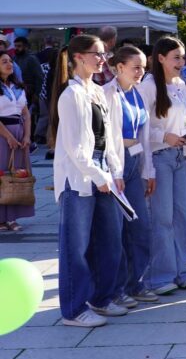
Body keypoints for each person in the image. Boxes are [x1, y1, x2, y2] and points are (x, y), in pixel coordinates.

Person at [49, 35, 125, 327]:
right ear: (78, 57)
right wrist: (99, 175)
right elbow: (74, 147)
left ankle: (102, 298)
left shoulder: (96, 91)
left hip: (101, 170)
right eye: (97, 54)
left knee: (109, 240)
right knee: (76, 247)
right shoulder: (71, 95)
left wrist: (114, 173)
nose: (102, 59)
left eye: (104, 53)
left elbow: (108, 139)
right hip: (79, 177)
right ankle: (73, 309)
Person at [140, 36, 186, 296]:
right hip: (160, 157)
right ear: (160, 58)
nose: (181, 62)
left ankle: (181, 270)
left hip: (181, 157)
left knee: (183, 217)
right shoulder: (149, 85)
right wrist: (164, 136)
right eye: (176, 57)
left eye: (183, 57)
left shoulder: (181, 84)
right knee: (162, 218)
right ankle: (159, 276)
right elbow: (140, 126)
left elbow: (183, 121)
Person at [103, 46, 158, 305]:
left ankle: (138, 283)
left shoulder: (138, 94)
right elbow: (106, 139)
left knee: (140, 226)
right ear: (119, 67)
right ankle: (117, 288)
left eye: (143, 68)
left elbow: (144, 137)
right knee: (117, 230)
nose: (140, 72)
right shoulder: (107, 94)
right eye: (136, 67)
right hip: (117, 163)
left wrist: (148, 170)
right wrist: (114, 172)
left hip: (135, 162)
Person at [0, 52, 34, 231]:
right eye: (4, 61)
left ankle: (11, 217)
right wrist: (8, 137)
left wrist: (27, 136)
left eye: (10, 61)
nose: (9, 64)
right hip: (2, 134)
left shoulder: (18, 86)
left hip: (19, 133)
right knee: (2, 175)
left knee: (17, 175)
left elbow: (26, 113)